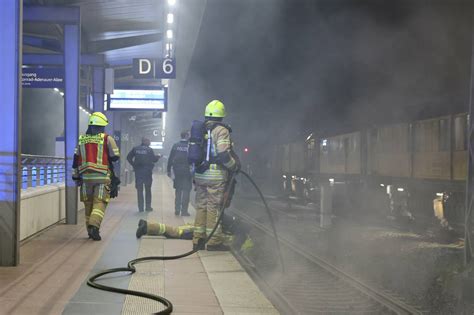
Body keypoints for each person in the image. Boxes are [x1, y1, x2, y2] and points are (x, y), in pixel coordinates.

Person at [192, 100, 240, 251]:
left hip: (200, 174)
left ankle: (198, 240)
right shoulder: (221, 130)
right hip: (215, 176)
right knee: (214, 208)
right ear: (222, 115)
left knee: (201, 206)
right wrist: (234, 166)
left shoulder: (199, 129)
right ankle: (214, 242)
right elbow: (223, 154)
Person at [72, 112, 120, 241]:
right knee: (99, 203)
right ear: (102, 126)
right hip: (101, 177)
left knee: (88, 204)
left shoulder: (81, 139)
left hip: (85, 179)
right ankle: (94, 226)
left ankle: (89, 230)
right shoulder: (106, 138)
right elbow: (115, 156)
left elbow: (75, 160)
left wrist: (75, 177)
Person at [135, 213, 253, 252]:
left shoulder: (229, 222)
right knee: (176, 232)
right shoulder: (233, 232)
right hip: (198, 230)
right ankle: (147, 226)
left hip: (198, 228)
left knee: (175, 231)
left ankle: (147, 226)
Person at [127, 137, 160, 212]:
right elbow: (154, 160)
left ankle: (140, 208)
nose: (150, 142)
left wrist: (134, 165)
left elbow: (128, 157)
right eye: (148, 141)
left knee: (139, 190)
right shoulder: (149, 150)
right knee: (148, 190)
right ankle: (148, 207)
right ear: (144, 141)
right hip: (147, 172)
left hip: (138, 172)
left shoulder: (135, 148)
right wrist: (158, 157)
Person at [167, 130, 192, 216]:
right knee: (186, 191)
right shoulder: (190, 146)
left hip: (177, 171)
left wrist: (168, 170)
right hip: (187, 171)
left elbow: (170, 158)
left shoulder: (175, 145)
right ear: (186, 136)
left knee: (178, 190)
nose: (190, 136)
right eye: (189, 134)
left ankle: (177, 209)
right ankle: (184, 211)